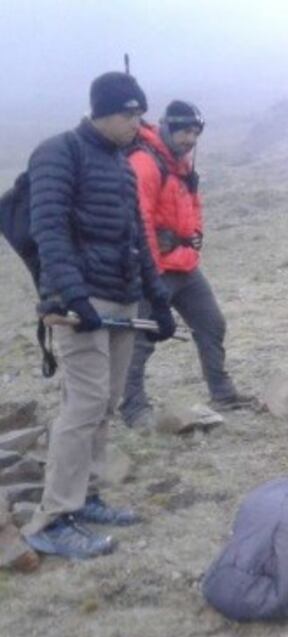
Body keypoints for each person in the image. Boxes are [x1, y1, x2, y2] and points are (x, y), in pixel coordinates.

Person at [23, 72, 176, 559]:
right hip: (81, 303)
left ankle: (86, 497)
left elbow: (139, 238)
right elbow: (49, 230)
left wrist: (158, 300)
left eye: (140, 115)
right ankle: (52, 518)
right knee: (84, 404)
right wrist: (74, 297)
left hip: (122, 298)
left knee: (105, 403)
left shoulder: (122, 165)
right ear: (103, 111)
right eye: (129, 114)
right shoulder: (59, 152)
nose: (137, 123)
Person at [120, 100, 254, 428]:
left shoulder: (180, 162)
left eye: (195, 133)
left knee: (211, 323)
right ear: (167, 126)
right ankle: (134, 408)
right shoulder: (145, 163)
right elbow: (139, 221)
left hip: (184, 265)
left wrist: (195, 236)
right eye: (184, 131)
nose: (190, 139)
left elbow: (193, 202)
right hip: (155, 269)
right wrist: (150, 270)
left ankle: (222, 392)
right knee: (141, 340)